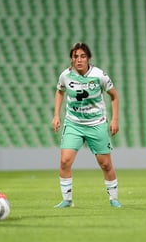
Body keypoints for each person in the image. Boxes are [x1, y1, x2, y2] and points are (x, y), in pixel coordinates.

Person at [52, 42, 122, 208]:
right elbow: (59, 91)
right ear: (72, 59)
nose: (79, 60)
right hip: (73, 123)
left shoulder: (99, 76)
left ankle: (114, 199)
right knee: (64, 161)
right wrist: (56, 115)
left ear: (89, 58)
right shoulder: (65, 76)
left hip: (96, 124)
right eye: (76, 56)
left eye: (83, 56)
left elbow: (114, 96)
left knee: (105, 164)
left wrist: (114, 119)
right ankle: (67, 200)